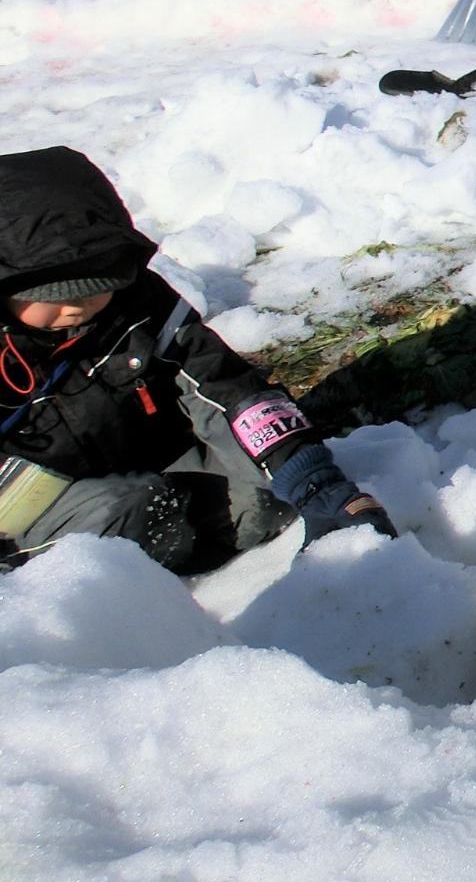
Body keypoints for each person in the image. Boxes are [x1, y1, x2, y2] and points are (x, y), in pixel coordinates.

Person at [0, 147, 395, 573]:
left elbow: (227, 388)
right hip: (41, 512)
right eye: (54, 299)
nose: (77, 308)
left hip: (156, 466)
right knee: (130, 517)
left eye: (98, 287)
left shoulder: (139, 305)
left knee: (265, 499)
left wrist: (315, 483)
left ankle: (180, 541)